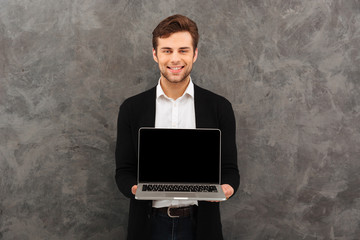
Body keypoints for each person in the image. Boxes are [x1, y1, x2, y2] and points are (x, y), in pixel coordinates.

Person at [115, 14, 240, 240]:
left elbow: (230, 170)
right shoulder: (132, 109)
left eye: (183, 50)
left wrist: (228, 187)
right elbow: (123, 171)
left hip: (200, 227)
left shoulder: (219, 107)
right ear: (155, 54)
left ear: (195, 54)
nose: (175, 59)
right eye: (167, 50)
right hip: (149, 226)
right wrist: (135, 189)